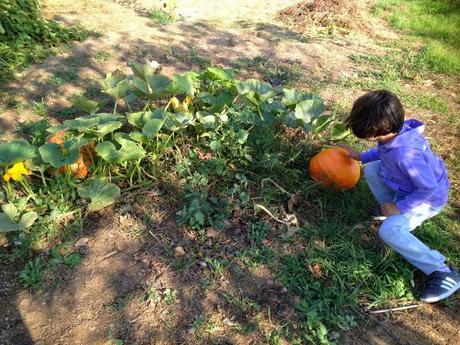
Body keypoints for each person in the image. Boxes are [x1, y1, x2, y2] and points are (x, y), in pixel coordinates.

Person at [342, 89, 459, 303]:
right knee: (371, 169)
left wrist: (400, 208)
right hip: (408, 189)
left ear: (379, 130)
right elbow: (382, 152)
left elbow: (428, 188)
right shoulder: (395, 134)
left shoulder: (406, 155)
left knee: (389, 231)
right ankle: (390, 211)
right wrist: (361, 156)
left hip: (427, 200)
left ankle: (441, 270)